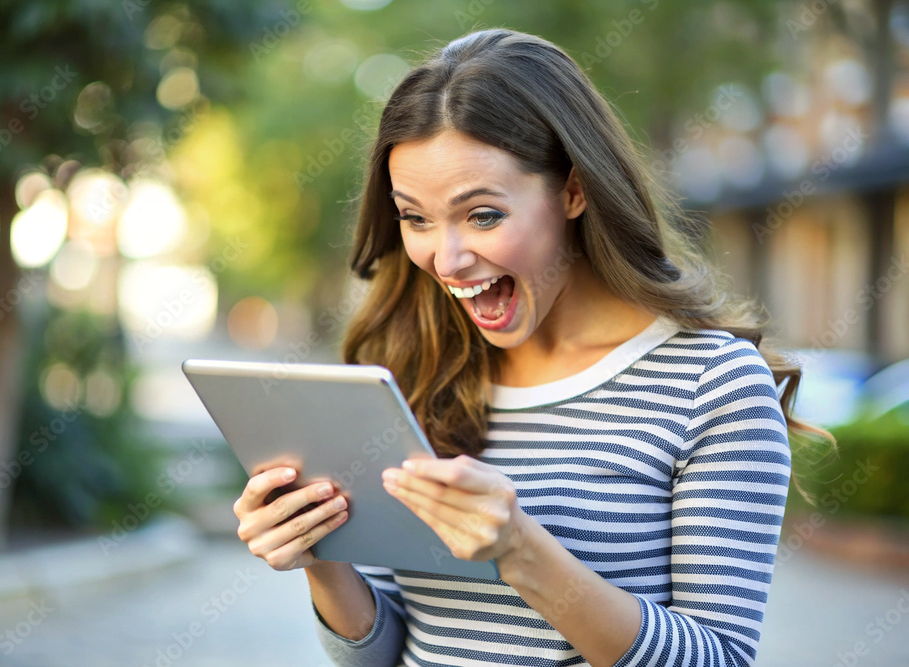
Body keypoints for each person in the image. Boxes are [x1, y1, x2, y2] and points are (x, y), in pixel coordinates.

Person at [232, 27, 835, 667]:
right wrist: (320, 559)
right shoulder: (413, 366)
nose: (448, 259)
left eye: (483, 215)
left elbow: (721, 659)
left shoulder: (710, 383)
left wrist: (522, 550)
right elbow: (381, 653)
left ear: (574, 191)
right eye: (416, 218)